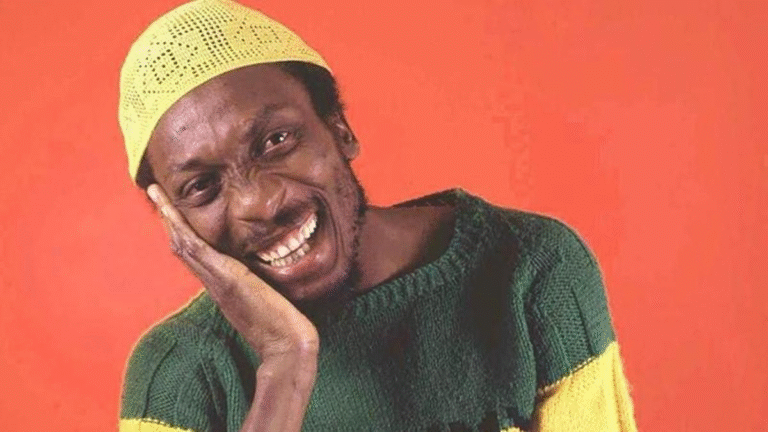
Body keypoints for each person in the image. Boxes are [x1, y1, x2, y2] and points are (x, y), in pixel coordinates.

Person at [118, 0, 637, 431]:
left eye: (276, 141)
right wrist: (284, 365)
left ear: (339, 129)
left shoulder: (529, 269)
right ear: (175, 221)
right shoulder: (178, 372)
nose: (258, 202)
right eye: (202, 186)